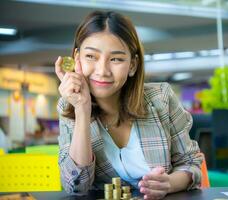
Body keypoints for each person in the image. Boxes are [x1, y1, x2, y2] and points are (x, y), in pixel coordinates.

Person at [55, 10, 203, 199]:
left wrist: (169, 184)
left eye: (116, 59)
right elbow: (76, 187)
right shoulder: (68, 107)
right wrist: (82, 110)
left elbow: (190, 162)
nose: (102, 71)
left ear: (132, 65)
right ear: (77, 59)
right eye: (91, 56)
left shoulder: (161, 98)